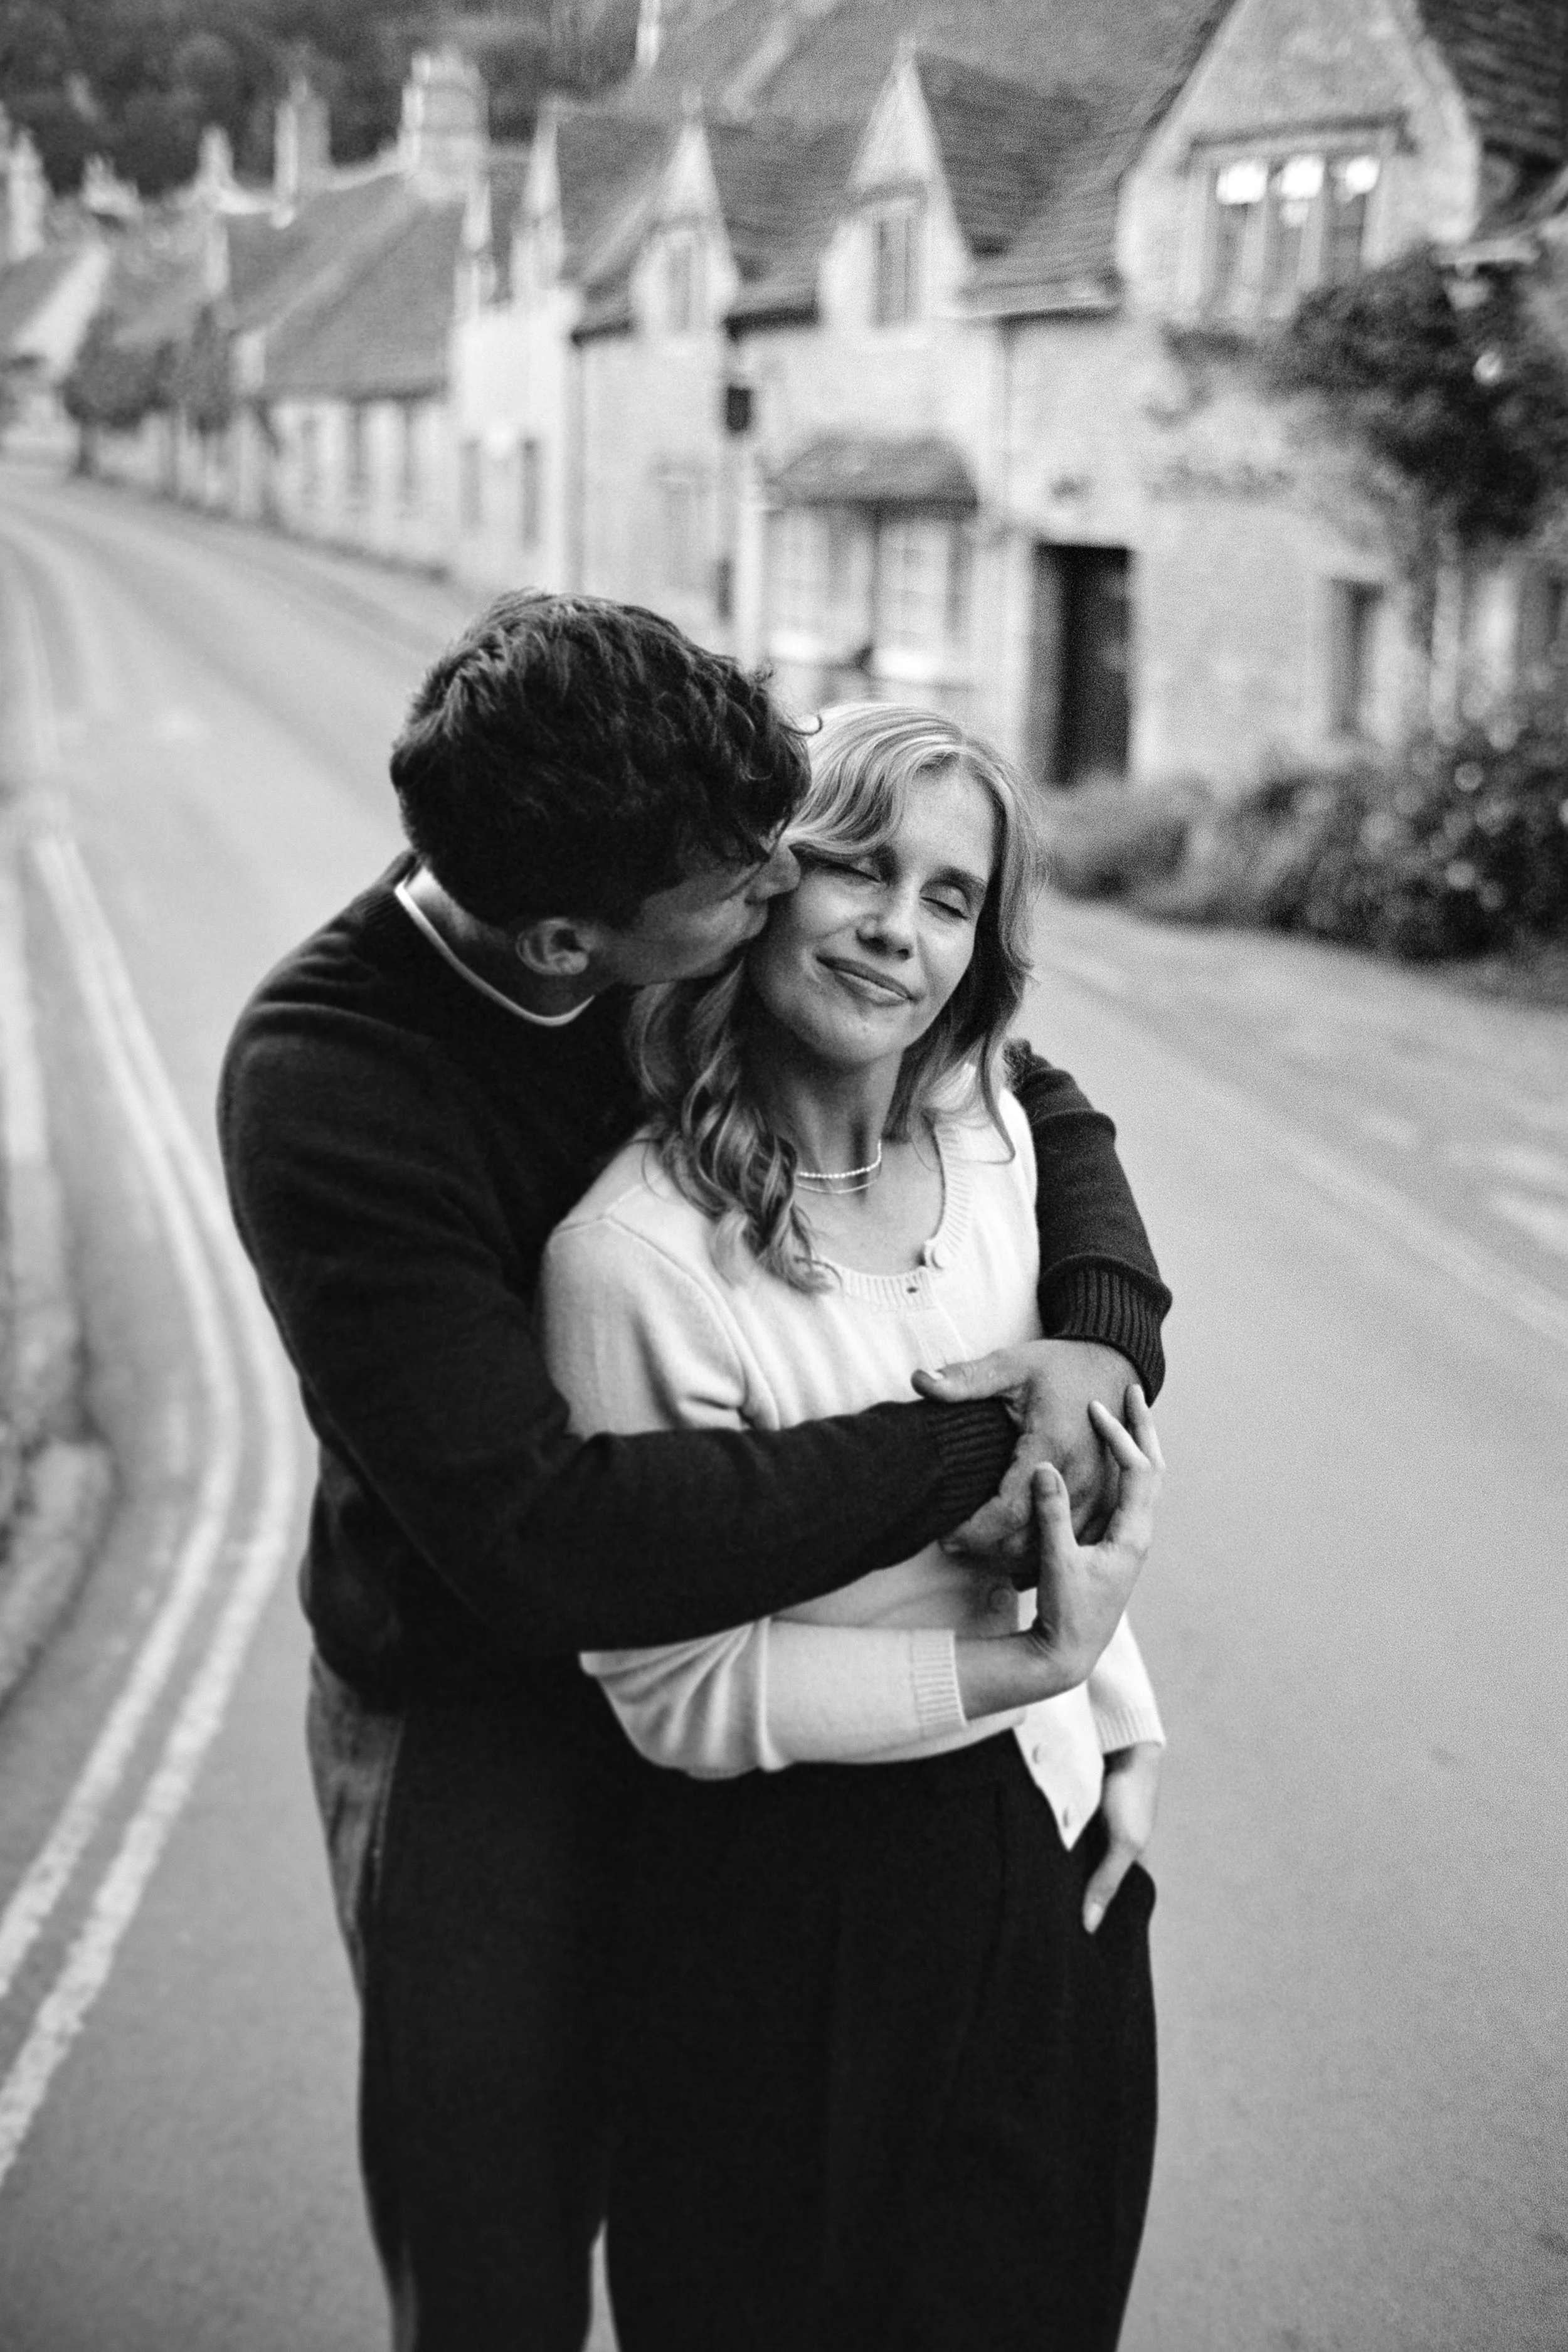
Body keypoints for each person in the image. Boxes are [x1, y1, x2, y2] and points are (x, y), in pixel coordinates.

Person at [216, 595, 1171, 2352]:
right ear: (579, 946)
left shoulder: (688, 856)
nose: (791, 894)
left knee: (752, 2196)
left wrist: (1096, 1342)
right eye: (755, 885)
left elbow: (1017, 1084)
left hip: (742, 1672)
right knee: (500, 2254)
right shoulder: (333, 1083)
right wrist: (980, 1431)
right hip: (479, 1698)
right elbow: (548, 1543)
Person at [541, 702, 1166, 2352]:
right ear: (762, 885)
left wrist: (1110, 1714)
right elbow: (669, 1693)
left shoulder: (996, 1142)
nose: (899, 927)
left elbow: (1055, 1485)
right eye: (857, 867)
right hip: (773, 1937)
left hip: (1042, 1882)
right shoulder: (636, 1258)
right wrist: (1014, 1661)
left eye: (952, 896)